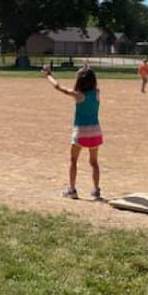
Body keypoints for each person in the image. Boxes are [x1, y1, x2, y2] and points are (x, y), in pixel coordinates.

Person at [43, 64, 103, 200]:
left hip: (81, 131)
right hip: (95, 131)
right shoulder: (97, 93)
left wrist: (48, 75)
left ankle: (72, 190)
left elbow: (58, 86)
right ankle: (96, 190)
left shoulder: (78, 95)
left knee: (73, 160)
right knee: (94, 162)